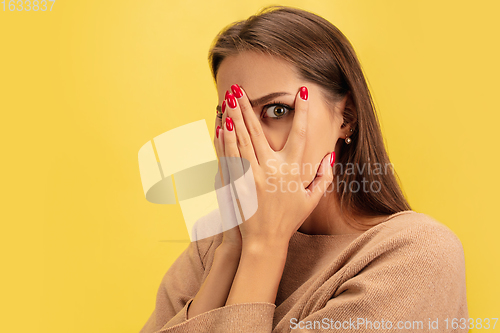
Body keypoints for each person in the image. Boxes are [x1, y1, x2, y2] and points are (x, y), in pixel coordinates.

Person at [139, 5, 468, 333]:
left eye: (278, 109)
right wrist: (232, 249)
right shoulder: (212, 242)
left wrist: (264, 247)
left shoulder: (416, 255)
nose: (248, 139)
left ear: (347, 117)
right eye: (231, 115)